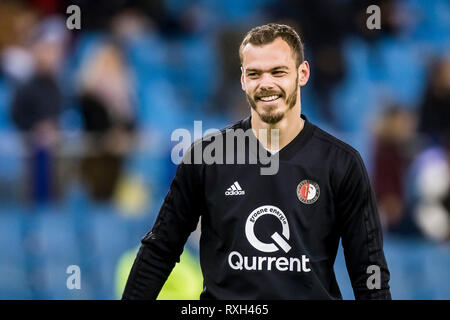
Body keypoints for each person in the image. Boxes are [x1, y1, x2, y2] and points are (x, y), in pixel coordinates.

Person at [122, 23, 391, 300]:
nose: (266, 83)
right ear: (243, 80)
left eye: (278, 72)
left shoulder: (341, 163)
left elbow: (369, 271)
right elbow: (159, 250)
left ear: (302, 74)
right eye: (255, 74)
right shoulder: (206, 158)